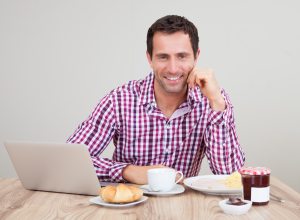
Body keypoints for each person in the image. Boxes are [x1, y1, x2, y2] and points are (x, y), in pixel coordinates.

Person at [67, 15, 245, 184]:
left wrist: (217, 103)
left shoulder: (212, 101)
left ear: (196, 57)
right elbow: (70, 162)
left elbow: (231, 174)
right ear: (149, 59)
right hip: (128, 208)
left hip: (185, 208)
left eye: (182, 56)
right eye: (163, 57)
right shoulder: (119, 100)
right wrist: (128, 171)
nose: (173, 69)